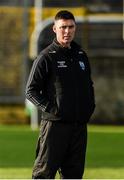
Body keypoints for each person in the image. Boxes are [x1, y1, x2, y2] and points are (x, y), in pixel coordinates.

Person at [26, 10, 95, 179]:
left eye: (71, 27)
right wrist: (53, 110)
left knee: (74, 175)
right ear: (55, 29)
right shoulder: (46, 57)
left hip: (78, 127)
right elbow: (31, 91)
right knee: (44, 174)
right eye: (63, 27)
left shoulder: (81, 55)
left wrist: (89, 107)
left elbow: (89, 85)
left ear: (75, 28)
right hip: (54, 128)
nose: (67, 31)